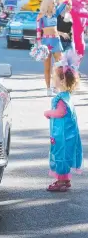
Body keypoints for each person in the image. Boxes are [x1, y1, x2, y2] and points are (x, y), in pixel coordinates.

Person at [44, 61, 82, 192]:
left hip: (62, 134)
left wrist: (48, 113)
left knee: (60, 154)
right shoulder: (67, 96)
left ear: (62, 80)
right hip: (67, 133)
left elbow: (60, 113)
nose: (53, 80)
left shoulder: (61, 99)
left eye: (54, 78)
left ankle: (61, 182)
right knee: (65, 155)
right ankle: (65, 179)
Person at [36, 0, 67, 96]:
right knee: (47, 67)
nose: (55, 4)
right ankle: (48, 89)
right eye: (53, 3)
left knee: (60, 65)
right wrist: (39, 44)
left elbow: (64, 4)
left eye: (54, 3)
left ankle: (56, 86)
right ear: (48, 4)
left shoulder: (55, 13)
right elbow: (38, 31)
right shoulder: (41, 15)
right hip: (46, 43)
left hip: (56, 41)